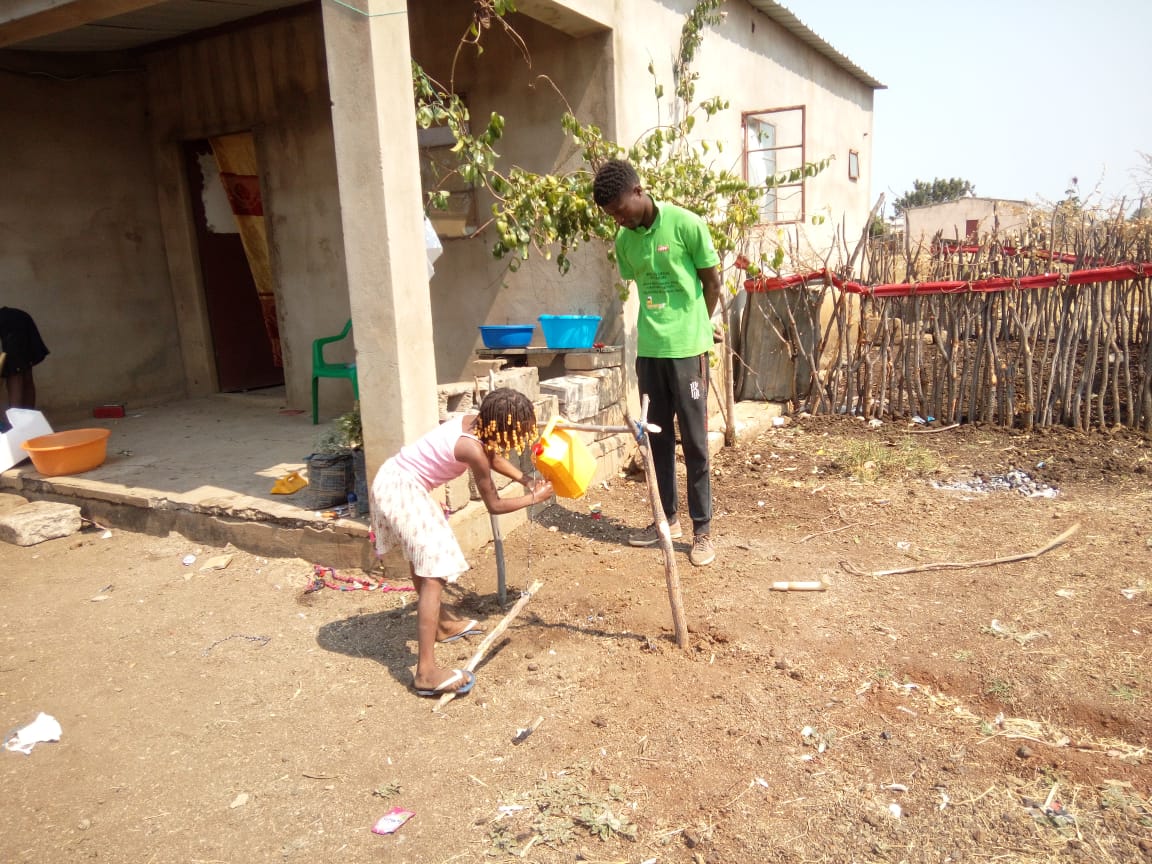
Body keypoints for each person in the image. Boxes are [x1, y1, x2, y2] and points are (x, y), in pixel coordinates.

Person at [369, 387, 553, 697]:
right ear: (501, 427)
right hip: (400, 490)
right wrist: (533, 496)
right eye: (518, 431)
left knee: (424, 561)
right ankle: (426, 673)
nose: (520, 438)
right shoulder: (471, 450)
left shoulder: (474, 423)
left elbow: (492, 455)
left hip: (396, 480)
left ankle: (442, 626)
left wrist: (524, 478)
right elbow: (494, 504)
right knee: (434, 572)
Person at [592, 159, 722, 567]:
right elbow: (639, 286)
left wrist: (700, 326)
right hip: (649, 352)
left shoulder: (686, 224)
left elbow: (712, 282)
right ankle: (667, 520)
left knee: (696, 444)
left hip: (687, 351)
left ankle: (702, 531)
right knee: (657, 440)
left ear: (638, 191)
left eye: (620, 209)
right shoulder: (625, 240)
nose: (619, 219)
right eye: (610, 215)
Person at [0, 306, 49, 410]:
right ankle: (27, 420)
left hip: (12, 324)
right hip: (21, 320)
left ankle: (18, 422)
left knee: (15, 374)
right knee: (24, 373)